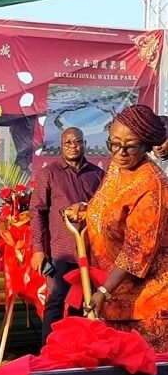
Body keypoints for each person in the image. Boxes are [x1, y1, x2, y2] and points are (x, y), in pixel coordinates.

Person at [66, 104, 168, 352]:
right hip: (111, 297)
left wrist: (103, 290)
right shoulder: (116, 168)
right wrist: (85, 210)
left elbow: (136, 252)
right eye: (114, 143)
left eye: (130, 146)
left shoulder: (152, 185)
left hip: (144, 306)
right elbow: (107, 207)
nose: (120, 152)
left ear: (145, 146)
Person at [30, 127, 104, 345]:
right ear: (61, 146)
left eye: (78, 142)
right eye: (68, 143)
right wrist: (38, 249)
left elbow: (105, 209)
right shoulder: (49, 173)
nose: (74, 146)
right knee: (55, 302)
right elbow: (37, 211)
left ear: (84, 144)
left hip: (90, 253)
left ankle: (77, 352)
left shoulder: (97, 174)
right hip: (60, 254)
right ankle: (47, 353)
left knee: (86, 302)